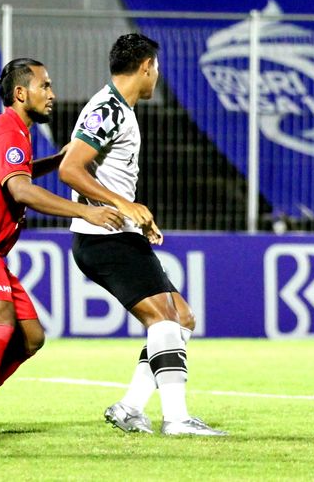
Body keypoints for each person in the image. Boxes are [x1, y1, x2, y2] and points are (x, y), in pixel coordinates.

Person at [0, 59, 125, 436]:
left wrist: (55, 160)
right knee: (1, 324)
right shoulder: (8, 131)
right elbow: (20, 189)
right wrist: (86, 212)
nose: (52, 94)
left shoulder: (10, 131)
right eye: (45, 86)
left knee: (31, 336)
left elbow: (13, 174)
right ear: (21, 93)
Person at [58, 33, 227, 436]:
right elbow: (70, 168)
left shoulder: (120, 110)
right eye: (157, 69)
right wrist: (123, 206)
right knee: (164, 318)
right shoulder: (108, 109)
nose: (158, 77)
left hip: (120, 232)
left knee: (181, 317)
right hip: (103, 236)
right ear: (146, 66)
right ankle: (177, 418)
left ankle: (130, 406)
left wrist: (136, 214)